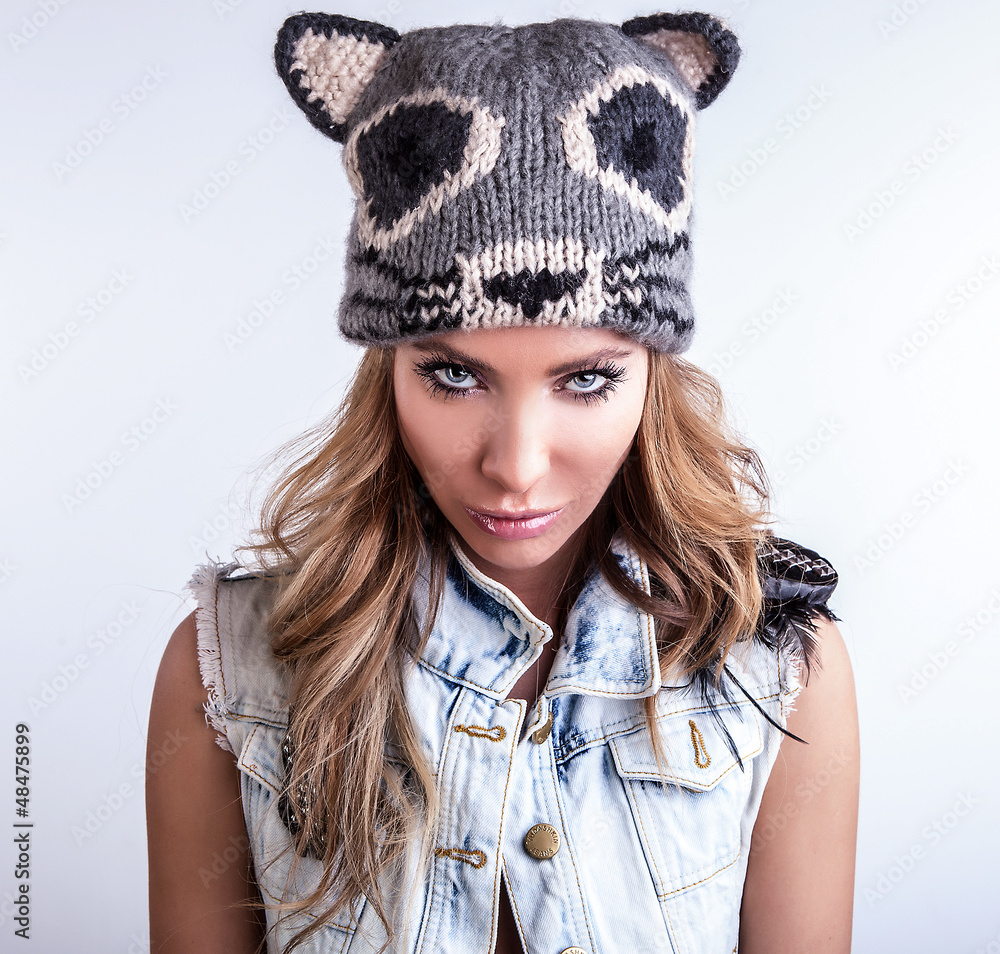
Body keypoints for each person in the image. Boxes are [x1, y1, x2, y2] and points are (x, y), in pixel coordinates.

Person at [145, 10, 859, 954]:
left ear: (652, 374)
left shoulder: (777, 668)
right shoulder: (228, 672)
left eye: (587, 379)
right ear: (387, 368)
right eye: (453, 376)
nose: (516, 468)